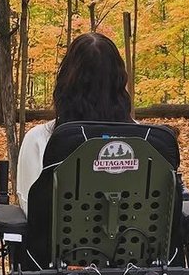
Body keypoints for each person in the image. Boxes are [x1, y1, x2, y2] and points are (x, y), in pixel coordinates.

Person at [16, 31, 133, 213]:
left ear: (65, 82)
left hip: (55, 242)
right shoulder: (148, 141)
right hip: (140, 242)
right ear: (120, 82)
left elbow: (30, 210)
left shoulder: (39, 140)